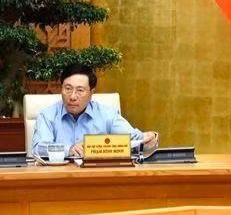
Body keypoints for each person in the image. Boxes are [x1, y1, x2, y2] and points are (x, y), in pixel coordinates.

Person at [31, 64, 159, 158]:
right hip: (58, 179)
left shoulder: (107, 115)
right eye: (68, 88)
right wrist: (68, 149)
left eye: (80, 90)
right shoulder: (47, 115)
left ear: (91, 93)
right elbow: (39, 148)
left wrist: (150, 138)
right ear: (61, 89)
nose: (73, 96)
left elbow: (134, 140)